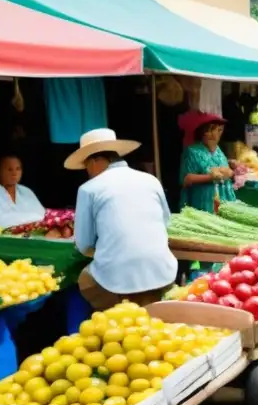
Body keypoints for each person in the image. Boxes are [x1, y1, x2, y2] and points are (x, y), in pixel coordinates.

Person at [66, 129, 177, 311]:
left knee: (85, 281)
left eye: (86, 167)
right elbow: (166, 223)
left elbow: (84, 245)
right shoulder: (151, 180)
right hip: (163, 272)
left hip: (118, 281)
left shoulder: (89, 189)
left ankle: (106, 323)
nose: (87, 172)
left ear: (94, 161)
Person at [179, 112, 236, 212]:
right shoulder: (193, 152)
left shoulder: (219, 152)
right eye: (211, 129)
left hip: (222, 203)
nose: (214, 134)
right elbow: (186, 180)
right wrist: (211, 177)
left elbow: (226, 173)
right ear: (203, 132)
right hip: (203, 204)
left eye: (219, 130)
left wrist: (231, 173)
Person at [0, 153, 46, 229]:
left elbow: (43, 216)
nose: (14, 173)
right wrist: (34, 219)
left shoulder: (26, 191)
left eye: (18, 169)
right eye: (9, 169)